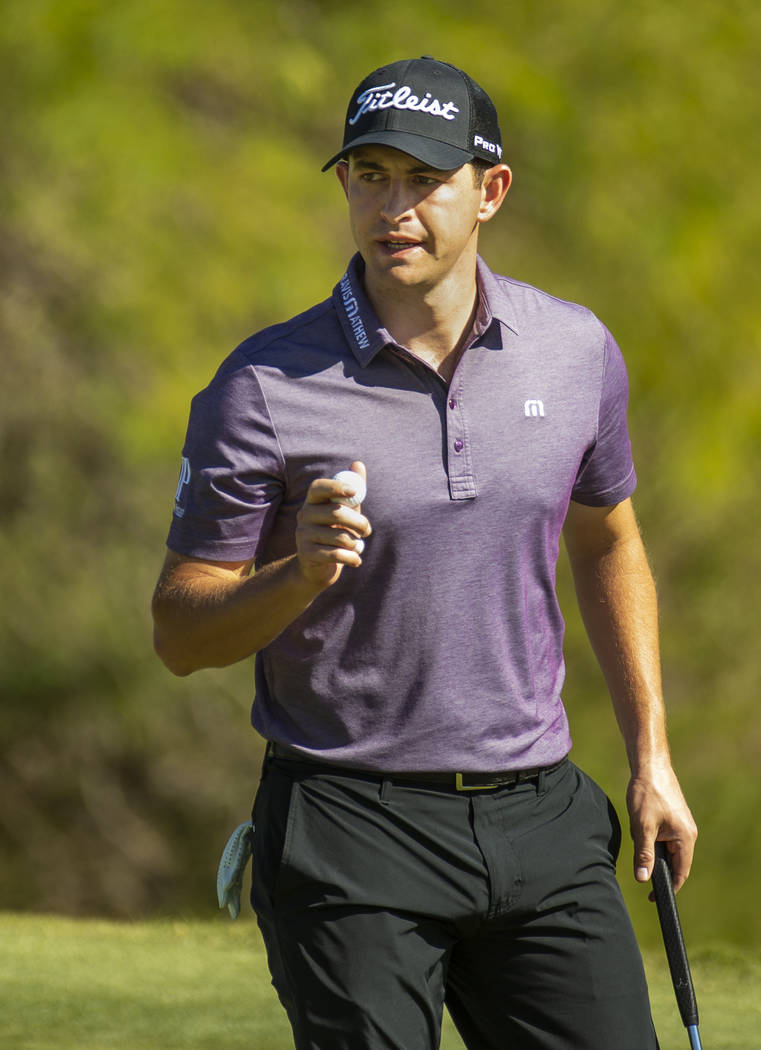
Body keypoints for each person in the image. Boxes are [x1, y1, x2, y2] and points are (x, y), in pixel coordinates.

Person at [152, 55, 697, 1050]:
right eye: (369, 176)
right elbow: (182, 632)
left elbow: (607, 539)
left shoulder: (573, 351)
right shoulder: (264, 385)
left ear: (488, 192)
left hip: (540, 815)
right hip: (346, 822)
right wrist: (299, 573)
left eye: (422, 178)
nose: (391, 207)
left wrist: (651, 760)